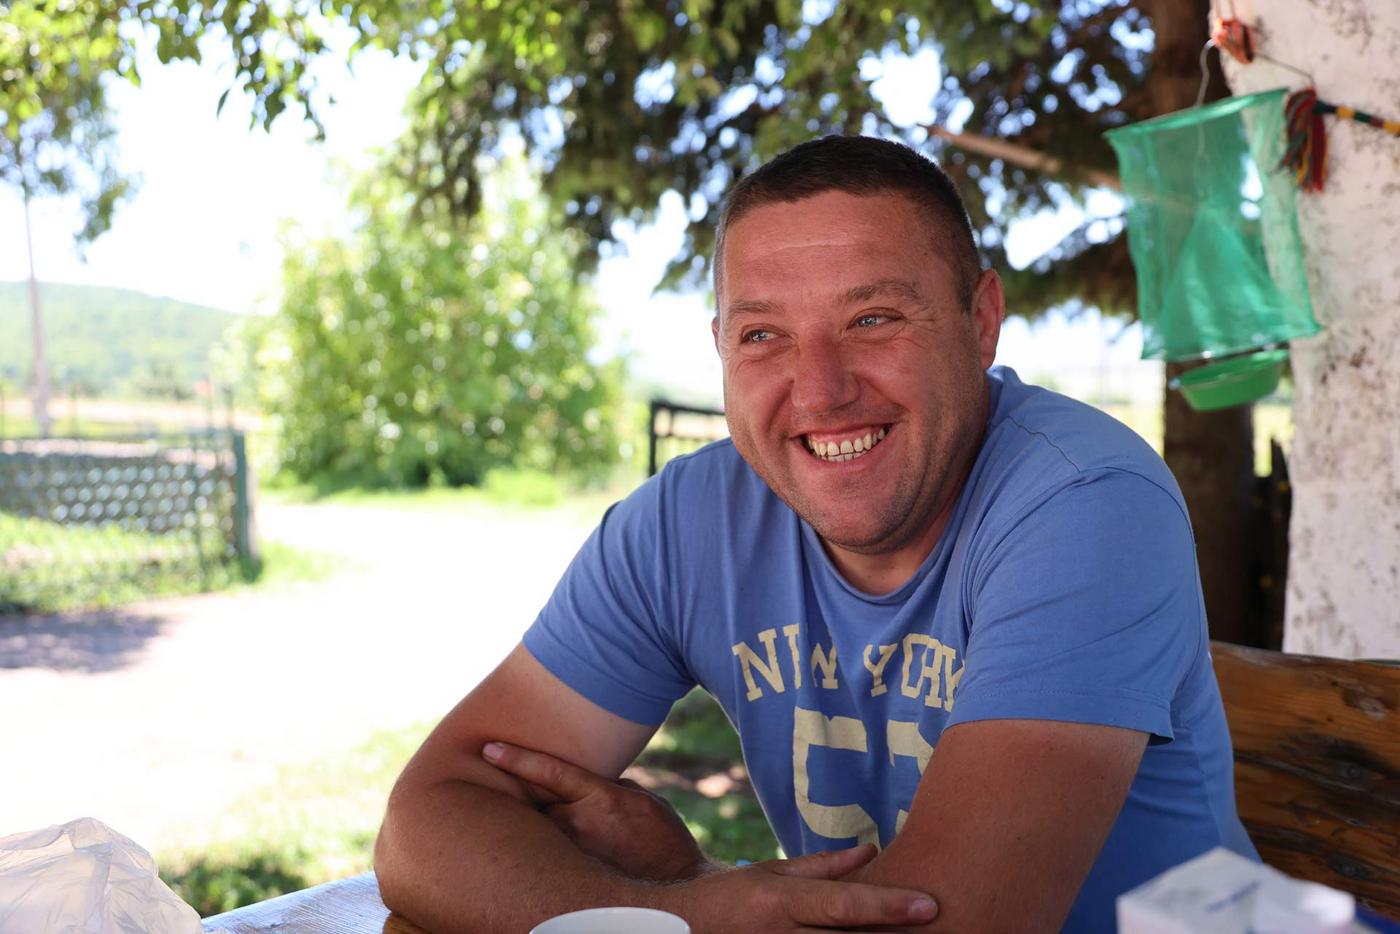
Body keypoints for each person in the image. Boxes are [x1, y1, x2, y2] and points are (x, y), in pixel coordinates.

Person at [374, 135, 1258, 933]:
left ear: (981, 321)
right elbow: (426, 825)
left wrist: (690, 901)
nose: (821, 389)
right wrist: (673, 905)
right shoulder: (690, 522)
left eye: (873, 318)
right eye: (763, 335)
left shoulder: (1085, 500)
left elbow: (940, 927)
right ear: (721, 345)